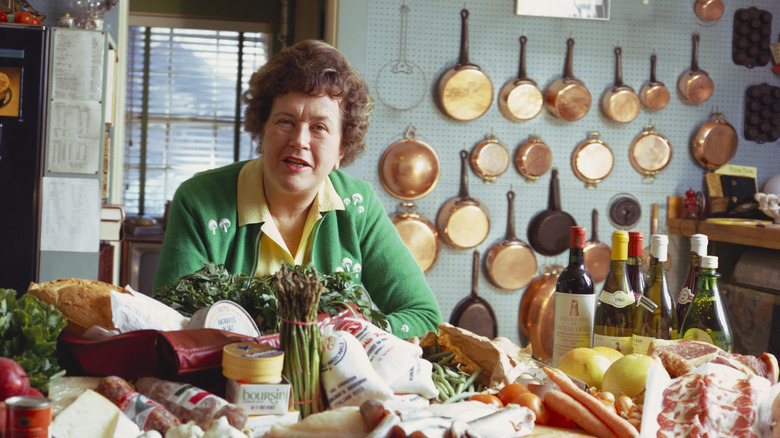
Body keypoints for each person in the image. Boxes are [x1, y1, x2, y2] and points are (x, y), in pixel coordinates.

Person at [153, 39, 442, 338]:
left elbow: (424, 316)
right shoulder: (199, 200)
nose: (299, 140)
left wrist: (354, 334)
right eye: (285, 121)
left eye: (319, 127)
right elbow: (170, 319)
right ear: (262, 132)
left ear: (341, 148)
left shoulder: (359, 206)